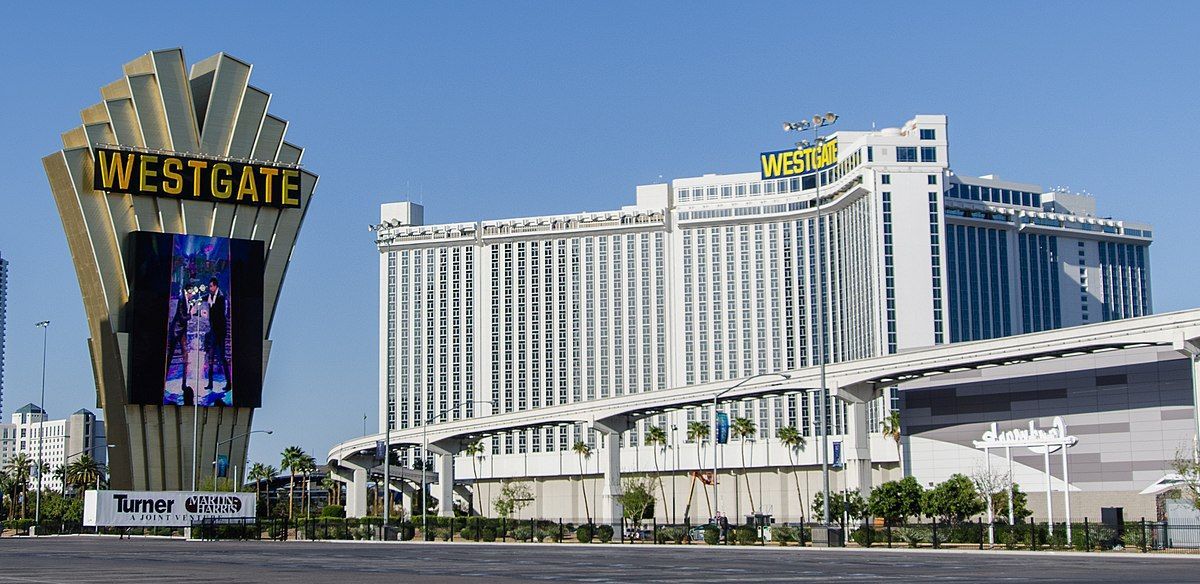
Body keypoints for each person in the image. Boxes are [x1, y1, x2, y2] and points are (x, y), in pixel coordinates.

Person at [204, 277, 230, 393]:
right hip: (214, 331)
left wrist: (211, 306)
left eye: (211, 286)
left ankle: (229, 382)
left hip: (220, 332)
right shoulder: (210, 297)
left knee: (222, 358)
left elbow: (220, 314)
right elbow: (204, 298)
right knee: (211, 357)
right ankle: (210, 383)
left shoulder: (221, 297)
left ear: (215, 286)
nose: (209, 289)